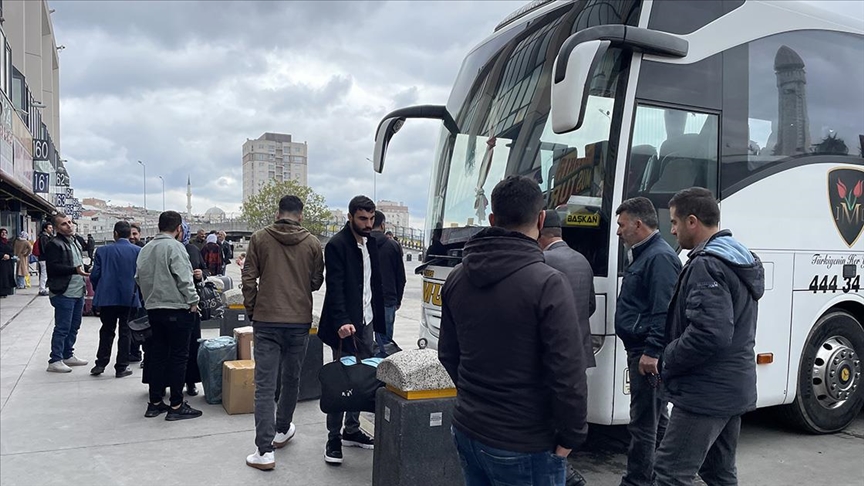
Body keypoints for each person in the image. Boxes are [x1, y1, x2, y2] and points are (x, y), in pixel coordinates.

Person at [438, 176, 589, 486]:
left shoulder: (457, 277)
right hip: (526, 441)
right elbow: (568, 374)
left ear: (492, 219)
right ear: (541, 218)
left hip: (468, 429)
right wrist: (571, 436)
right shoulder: (548, 283)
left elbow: (448, 356)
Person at [653, 187, 764, 486]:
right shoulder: (735, 257)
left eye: (674, 222)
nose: (672, 230)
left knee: (669, 472)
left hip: (706, 393)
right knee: (718, 473)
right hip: (731, 388)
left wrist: (669, 357)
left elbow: (710, 333)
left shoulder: (707, 264)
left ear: (692, 221)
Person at [242, 195, 325, 470]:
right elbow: (316, 282)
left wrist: (253, 308)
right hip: (299, 320)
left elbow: (248, 278)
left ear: (278, 213)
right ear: (300, 216)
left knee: (264, 386)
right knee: (292, 378)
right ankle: (282, 429)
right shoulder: (313, 243)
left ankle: (264, 452)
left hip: (266, 319)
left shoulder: (259, 238)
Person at [614, 197, 681, 486]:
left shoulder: (659, 257)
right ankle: (673, 472)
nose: (618, 232)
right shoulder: (646, 254)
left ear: (638, 224)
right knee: (656, 418)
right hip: (641, 349)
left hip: (647, 352)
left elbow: (663, 310)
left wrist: (652, 352)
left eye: (621, 224)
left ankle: (638, 481)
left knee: (643, 423)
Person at [318, 195, 383, 465]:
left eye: (370, 219)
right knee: (342, 381)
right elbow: (335, 288)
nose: (368, 224)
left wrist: (381, 320)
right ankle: (333, 437)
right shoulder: (337, 245)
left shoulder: (373, 243)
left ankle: (352, 430)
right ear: (350, 217)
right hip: (344, 326)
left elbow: (373, 284)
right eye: (362, 219)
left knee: (364, 379)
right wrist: (343, 321)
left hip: (367, 322)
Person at [537, 210, 596, 486]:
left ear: (541, 232)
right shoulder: (583, 260)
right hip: (581, 349)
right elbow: (591, 306)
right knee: (571, 409)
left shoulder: (544, 261)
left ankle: (563, 471)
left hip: (553, 352)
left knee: (548, 418)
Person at [136, 211, 202, 421]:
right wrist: (193, 301)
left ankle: (155, 403)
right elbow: (184, 278)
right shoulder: (175, 247)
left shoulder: (146, 249)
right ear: (179, 228)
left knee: (157, 356)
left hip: (154, 309)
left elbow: (139, 278)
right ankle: (176, 404)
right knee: (179, 357)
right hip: (177, 309)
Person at [89, 221, 141, 378]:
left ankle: (100, 363)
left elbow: (95, 275)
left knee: (106, 330)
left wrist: (101, 290)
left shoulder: (102, 251)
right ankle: (121, 366)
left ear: (115, 234)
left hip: (107, 298)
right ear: (129, 234)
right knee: (125, 332)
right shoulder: (138, 251)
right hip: (129, 298)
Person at [44, 213, 90, 372]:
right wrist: (75, 270)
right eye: (64, 224)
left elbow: (79, 262)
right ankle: (55, 359)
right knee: (62, 327)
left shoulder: (75, 241)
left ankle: (67, 354)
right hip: (63, 292)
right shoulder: (54, 244)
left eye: (70, 222)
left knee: (74, 325)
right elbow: (53, 267)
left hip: (78, 291)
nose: (69, 225)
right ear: (56, 228)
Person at [370, 211, 406, 357]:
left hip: (365, 300)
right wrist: (398, 300)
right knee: (385, 342)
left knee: (365, 341)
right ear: (383, 225)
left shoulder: (362, 244)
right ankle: (382, 373)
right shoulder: (393, 246)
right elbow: (401, 277)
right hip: (387, 299)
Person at [180, 220, 207, 396]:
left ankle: (190, 382)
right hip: (176, 303)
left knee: (192, 345)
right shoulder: (170, 249)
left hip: (192, 305)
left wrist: (200, 274)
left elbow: (204, 269)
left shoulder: (192, 250)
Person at [36, 222, 54, 295]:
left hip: (44, 258)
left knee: (45, 273)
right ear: (45, 229)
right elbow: (45, 249)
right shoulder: (44, 237)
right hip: (44, 258)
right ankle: (42, 289)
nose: (51, 229)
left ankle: (43, 288)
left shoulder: (46, 237)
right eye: (49, 228)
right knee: (44, 274)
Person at [0, 228, 15, 298]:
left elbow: (12, 250)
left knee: (7, 277)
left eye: (5, 233)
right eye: (2, 232)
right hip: (1, 262)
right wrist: (2, 255)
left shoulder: (8, 242)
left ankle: (6, 292)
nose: (4, 234)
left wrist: (9, 255)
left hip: (8, 262)